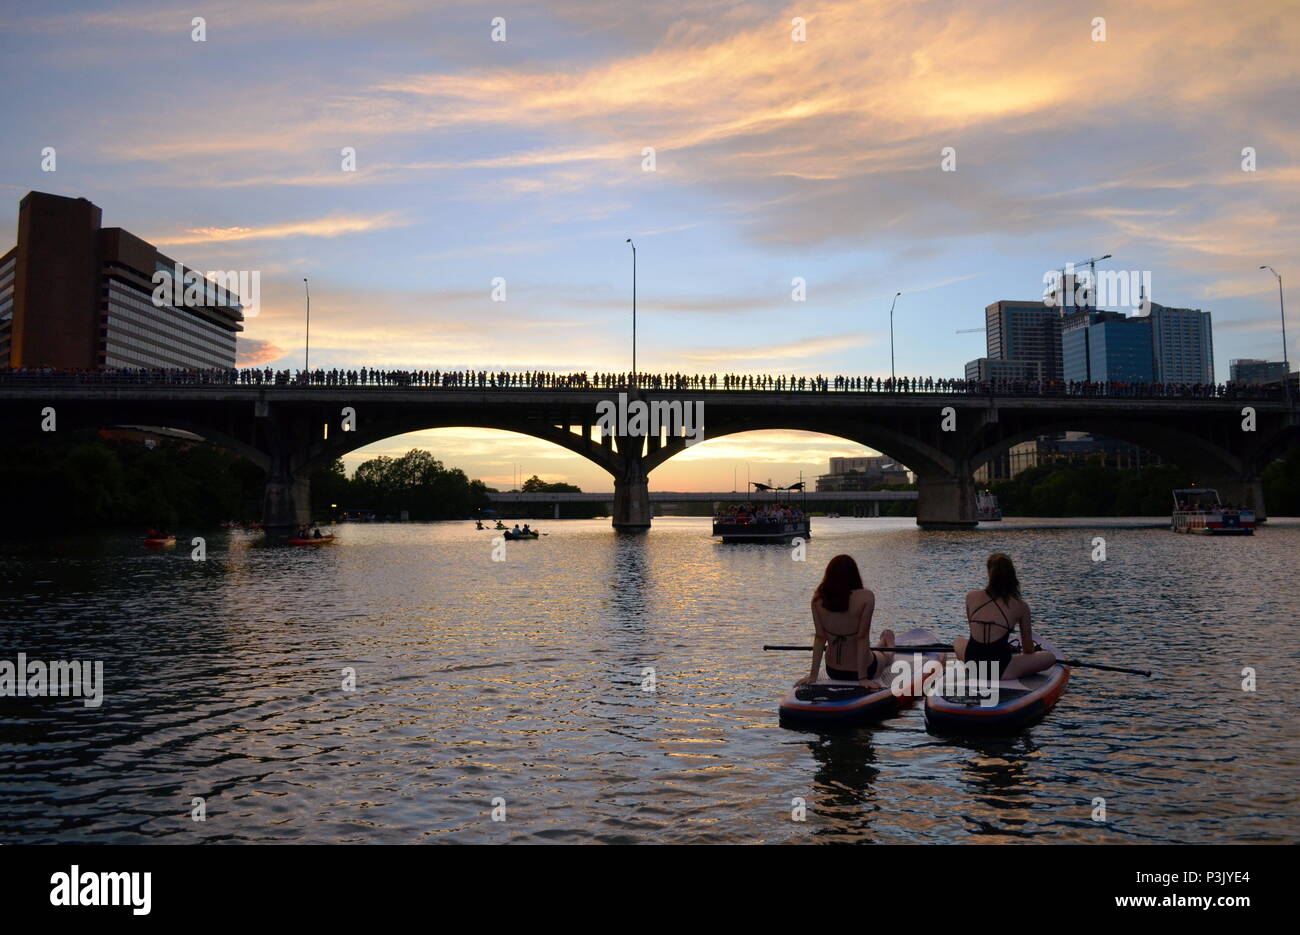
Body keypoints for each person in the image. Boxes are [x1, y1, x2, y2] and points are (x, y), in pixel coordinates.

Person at [796, 554, 894, 690]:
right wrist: (863, 679)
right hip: (866, 668)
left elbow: (820, 638)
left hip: (833, 671)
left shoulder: (817, 600)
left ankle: (883, 641)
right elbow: (862, 637)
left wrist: (813, 676)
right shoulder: (866, 597)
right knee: (886, 658)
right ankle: (888, 641)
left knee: (874, 652)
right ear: (854, 574)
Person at [954, 553, 1057, 681]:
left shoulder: (971, 597)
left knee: (958, 641)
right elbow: (1028, 650)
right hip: (1001, 670)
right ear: (1012, 575)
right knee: (1050, 657)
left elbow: (976, 634)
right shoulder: (1021, 606)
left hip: (972, 664)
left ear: (989, 573)